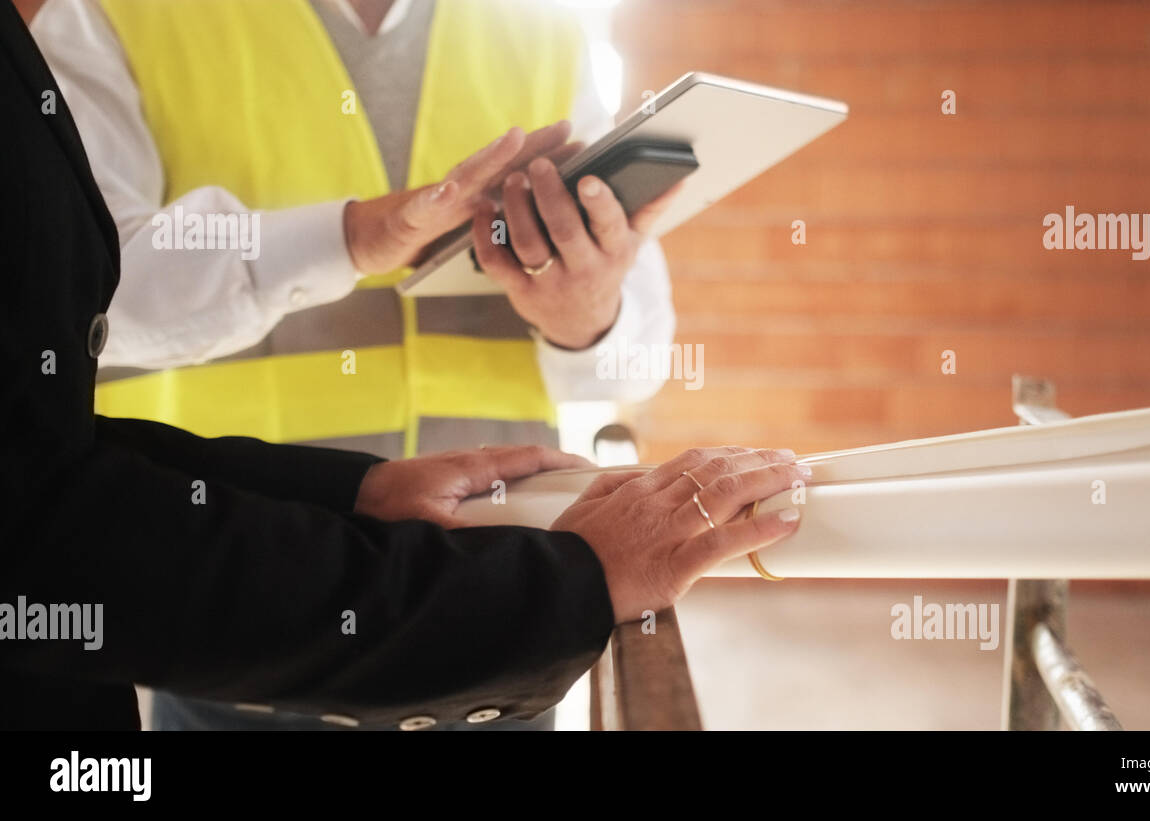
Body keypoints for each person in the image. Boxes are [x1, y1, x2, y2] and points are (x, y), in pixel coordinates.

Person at [0, 0, 806, 730]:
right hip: (247, 602)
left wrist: (584, 315)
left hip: (506, 592)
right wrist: (347, 238)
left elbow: (635, 361)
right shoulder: (119, 16)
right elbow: (82, 291)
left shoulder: (547, 33)